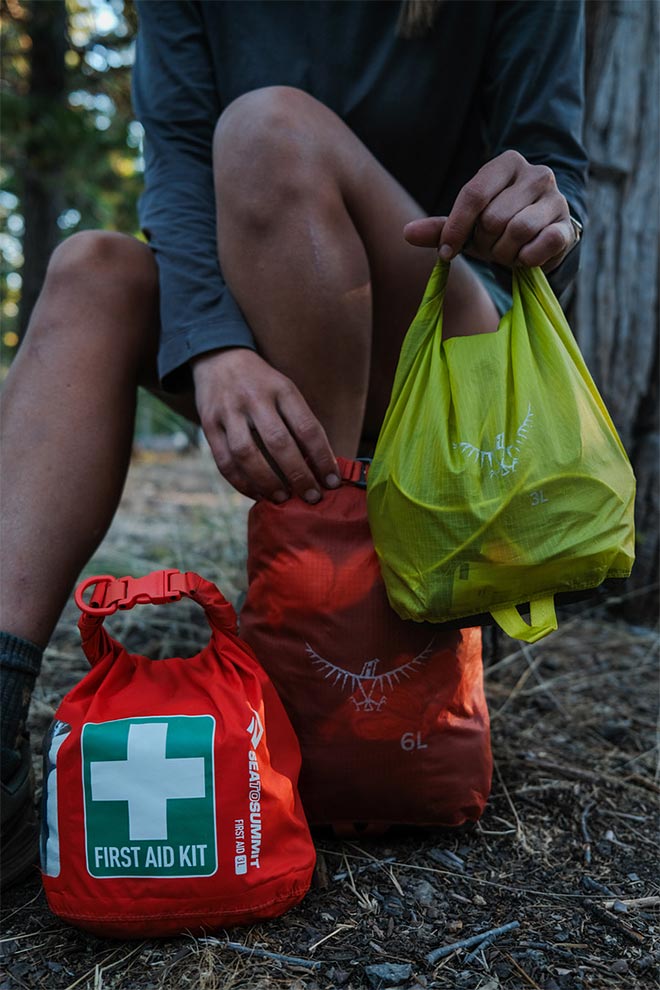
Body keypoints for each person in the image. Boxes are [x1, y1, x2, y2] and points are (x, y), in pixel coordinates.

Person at [0, 0, 587, 887]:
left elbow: (557, 171)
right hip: (262, 319)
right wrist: (211, 345)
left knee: (268, 126)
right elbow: (176, 159)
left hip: (444, 342)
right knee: (91, 271)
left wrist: (544, 212)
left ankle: (341, 633)